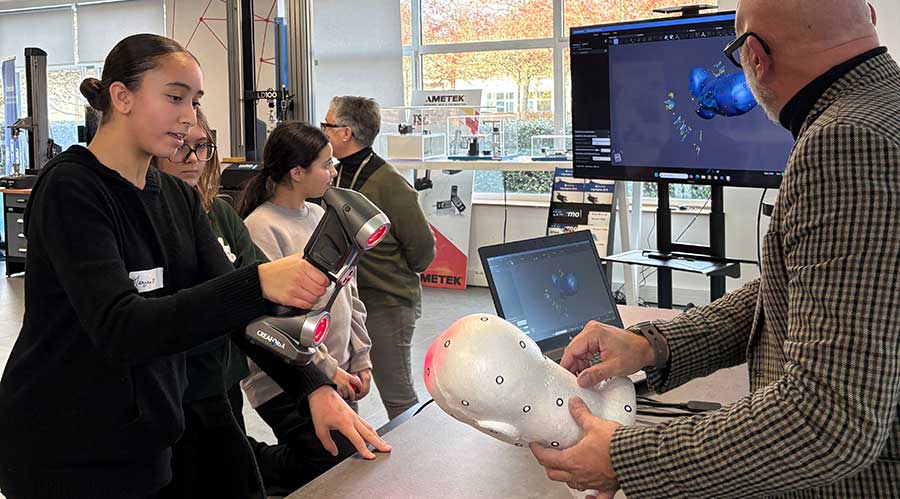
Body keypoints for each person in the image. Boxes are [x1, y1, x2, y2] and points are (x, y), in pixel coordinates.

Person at [530, 1, 900, 498]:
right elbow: (803, 289)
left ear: (754, 56)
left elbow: (828, 419)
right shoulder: (886, 109)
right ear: (870, 17)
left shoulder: (845, 140)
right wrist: (654, 344)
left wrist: (626, 457)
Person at [0, 34, 387, 499]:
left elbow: (243, 314)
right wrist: (258, 280)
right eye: (174, 97)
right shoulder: (72, 191)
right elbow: (123, 327)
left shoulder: (179, 199)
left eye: (195, 100)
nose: (189, 115)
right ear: (121, 96)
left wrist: (313, 386)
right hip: (65, 446)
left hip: (148, 438)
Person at [238, 121, 374, 492]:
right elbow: (280, 321)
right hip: (289, 378)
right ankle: (242, 466)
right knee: (330, 461)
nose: (334, 172)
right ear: (297, 172)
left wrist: (360, 358)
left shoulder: (321, 217)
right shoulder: (261, 228)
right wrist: (328, 371)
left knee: (348, 466)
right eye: (326, 164)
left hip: (339, 370)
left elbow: (350, 294)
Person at [151, 108, 262, 498]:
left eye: (203, 147)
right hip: (172, 393)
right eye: (182, 148)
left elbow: (254, 287)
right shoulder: (143, 220)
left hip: (222, 380)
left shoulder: (221, 214)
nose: (194, 159)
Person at [322, 96, 436, 420]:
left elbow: (422, 249)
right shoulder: (334, 174)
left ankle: (417, 466)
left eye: (326, 125)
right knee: (347, 388)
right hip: (346, 299)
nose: (322, 131)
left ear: (345, 133)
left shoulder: (390, 184)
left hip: (387, 301)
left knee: (397, 395)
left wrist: (389, 271)